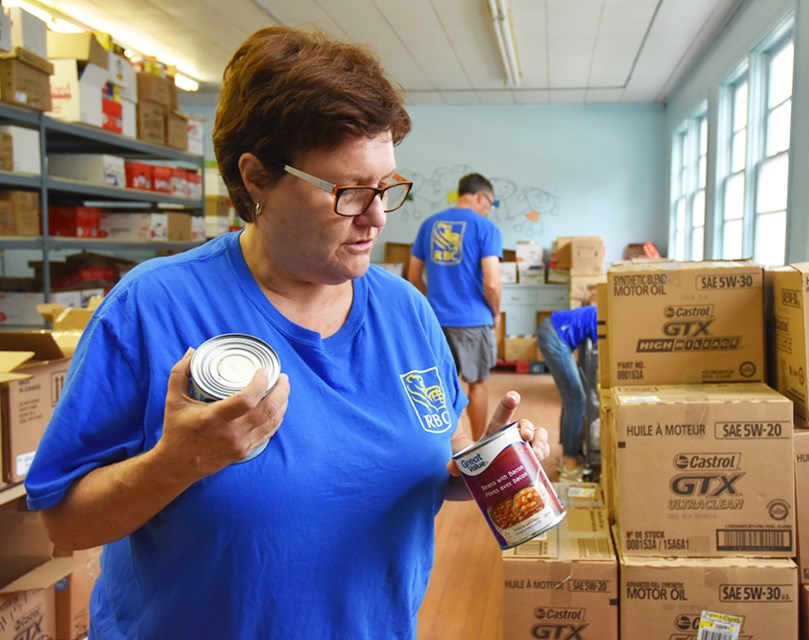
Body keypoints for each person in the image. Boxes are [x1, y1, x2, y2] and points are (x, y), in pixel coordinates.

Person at [24, 27, 550, 640]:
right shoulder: (154, 305)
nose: (377, 215)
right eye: (350, 191)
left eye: (387, 188)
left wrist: (488, 466)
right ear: (257, 179)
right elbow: (63, 523)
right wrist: (175, 465)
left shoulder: (406, 312)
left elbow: (435, 469)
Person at [407, 173, 503, 441]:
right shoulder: (486, 228)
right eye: (490, 203)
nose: (489, 210)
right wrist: (494, 312)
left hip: (436, 320)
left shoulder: (429, 224)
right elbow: (492, 283)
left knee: (440, 386)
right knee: (478, 384)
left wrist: (433, 302)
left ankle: (445, 445)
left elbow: (413, 275)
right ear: (482, 197)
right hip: (474, 321)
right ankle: (477, 444)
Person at [536, 291, 598, 480]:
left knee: (572, 398)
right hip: (555, 336)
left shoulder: (600, 311)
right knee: (577, 399)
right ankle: (570, 461)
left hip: (551, 329)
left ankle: (568, 450)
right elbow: (602, 358)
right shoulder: (602, 319)